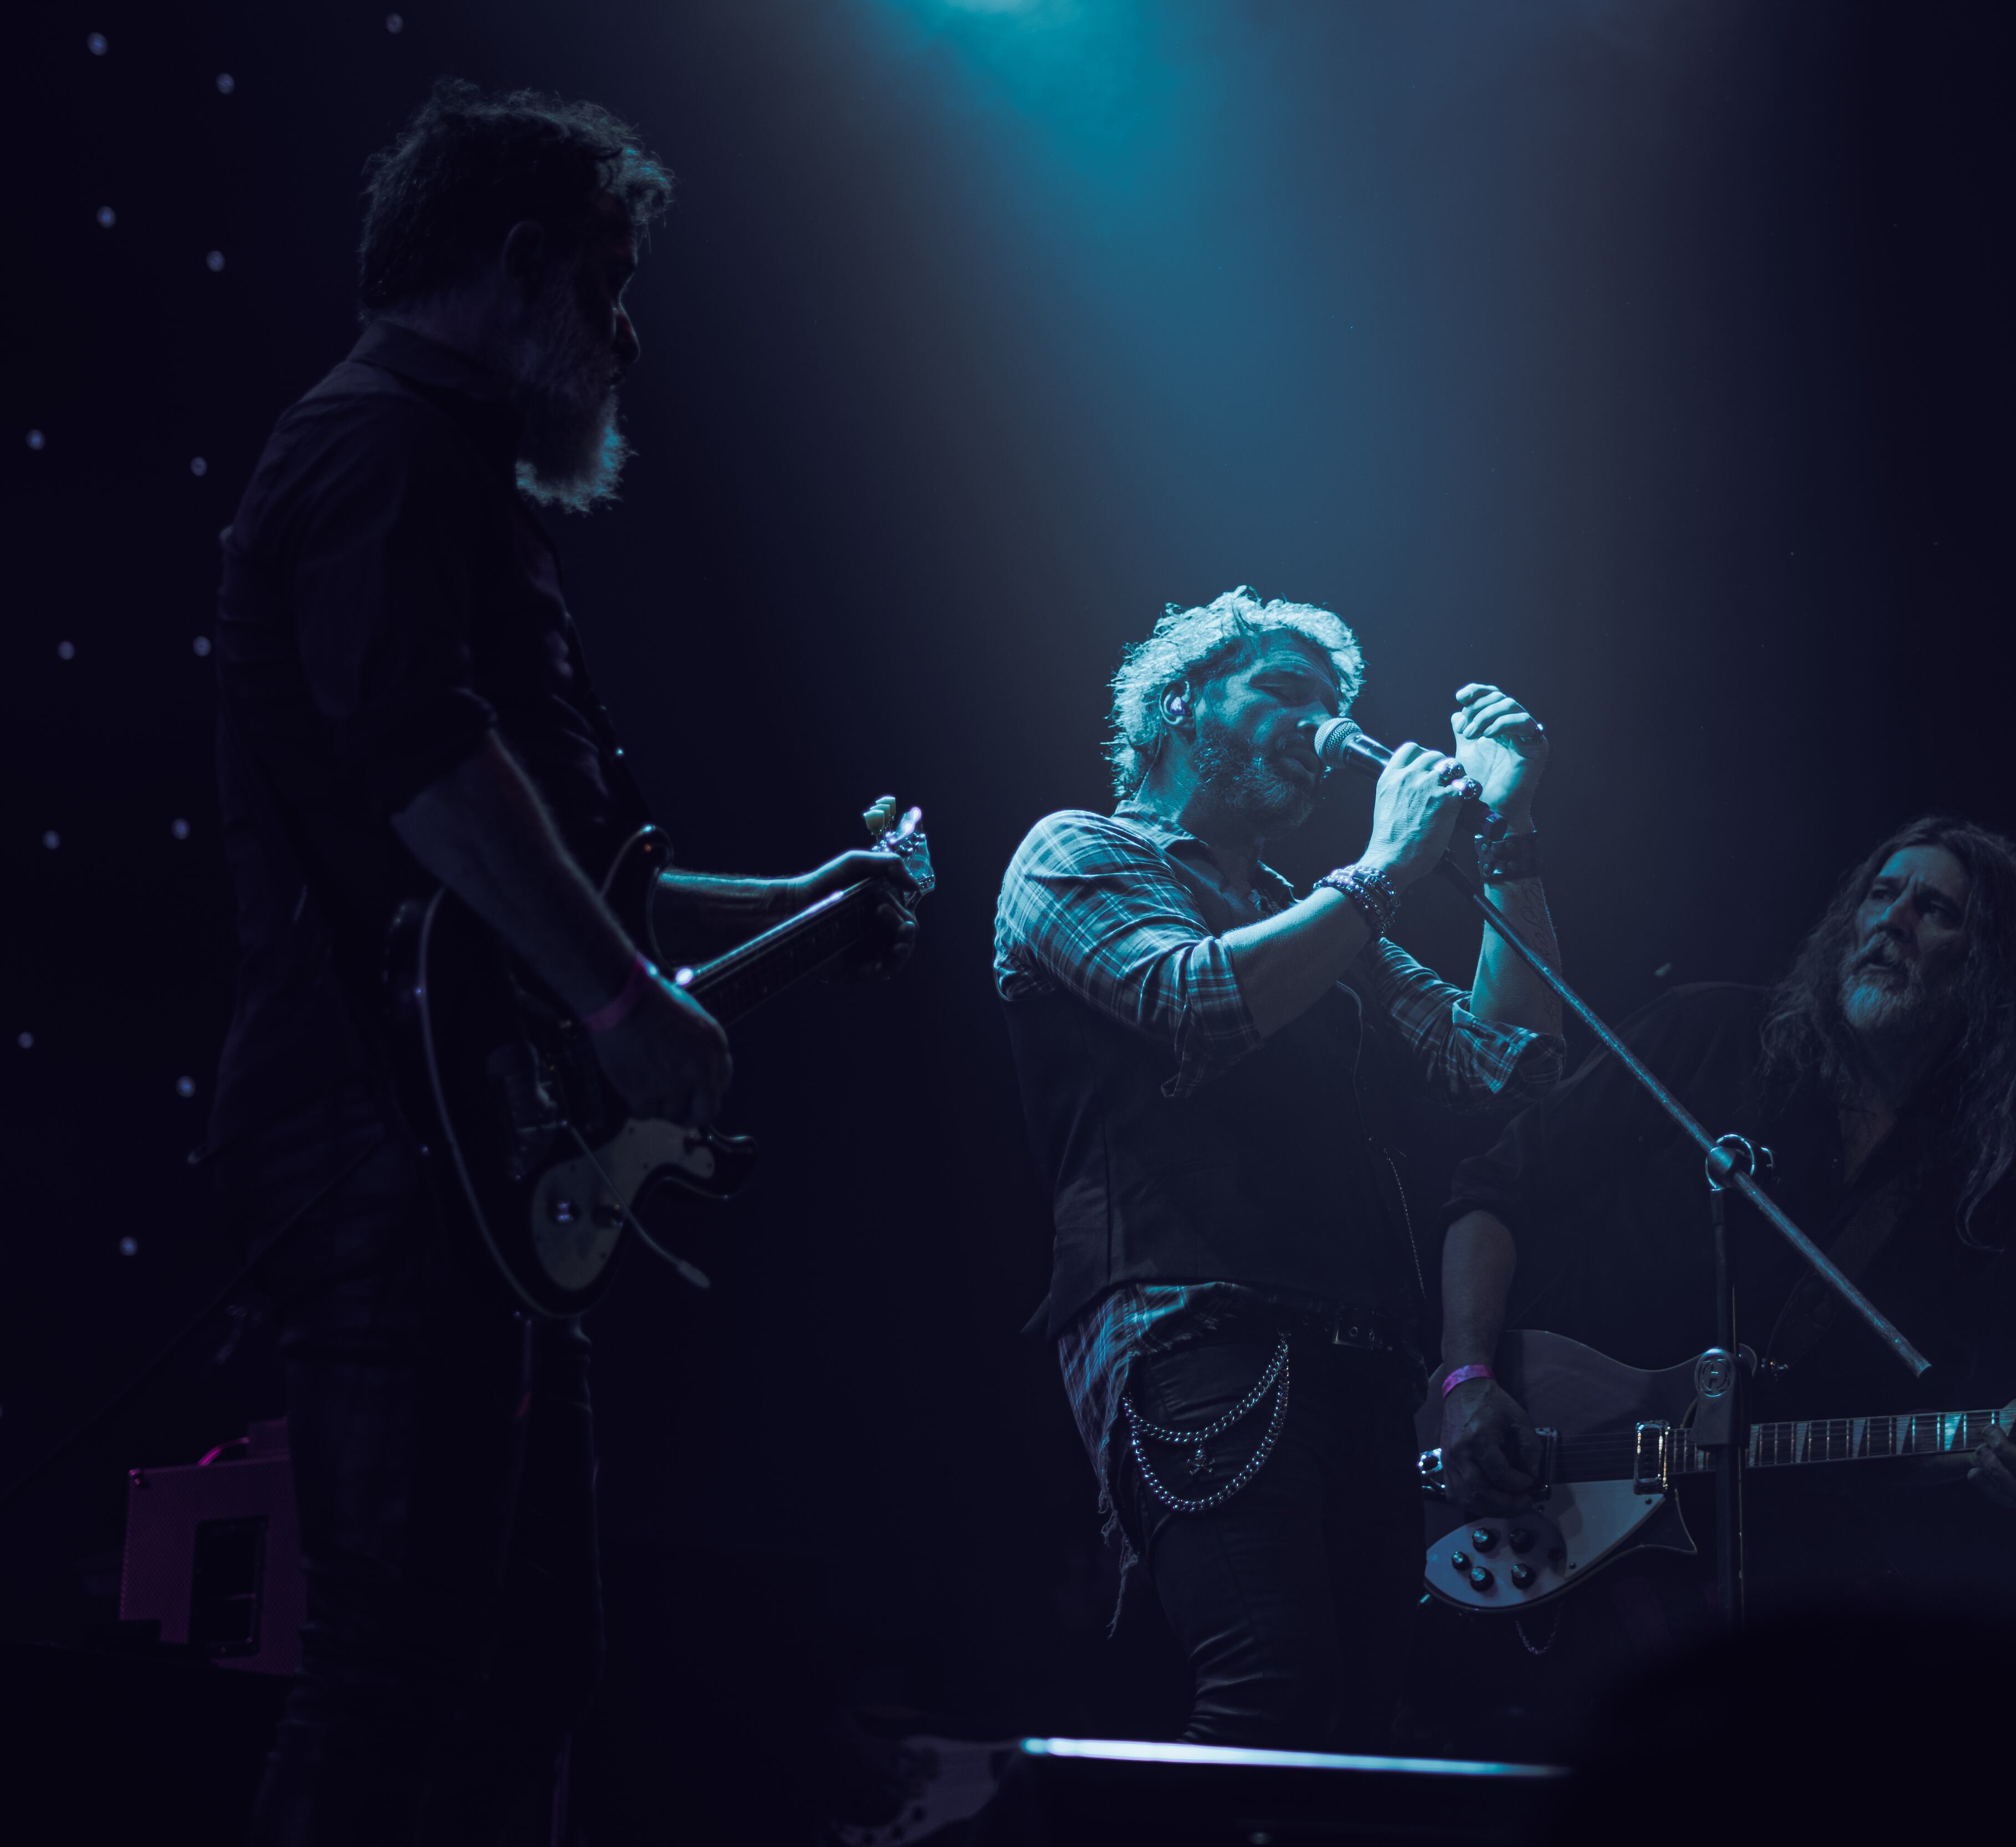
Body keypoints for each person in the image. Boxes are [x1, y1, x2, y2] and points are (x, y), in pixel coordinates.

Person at [206, 81, 912, 1841]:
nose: (626, 332)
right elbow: (427, 767)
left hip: (455, 1152)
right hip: (382, 1137)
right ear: (519, 270)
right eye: (606, 284)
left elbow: (560, 874)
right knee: (400, 1665)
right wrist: (617, 1000)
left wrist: (791, 906)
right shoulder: (379, 445)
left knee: (518, 1666)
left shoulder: (440, 468)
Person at [994, 589, 1566, 1747]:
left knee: (1355, 1722)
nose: (1324, 733)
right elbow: (1192, 1000)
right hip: (1189, 1325)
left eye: (1337, 707)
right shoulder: (1078, 850)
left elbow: (1506, 1059)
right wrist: (1388, 865)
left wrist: (1504, 838)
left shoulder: (1323, 917)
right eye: (1287, 693)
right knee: (1274, 1680)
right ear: (1175, 703)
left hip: (1354, 1354)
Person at [1421, 818, 2016, 1748]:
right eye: (1881, 895)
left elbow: (1897, 1422)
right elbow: (1493, 1191)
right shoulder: (1712, 1034)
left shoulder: (1965, 1183)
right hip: (1533, 1482)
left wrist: (1984, 1451)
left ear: (1984, 965)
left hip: (1740, 1573)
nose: (1892, 924)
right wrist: (1466, 1378)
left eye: (1934, 911)